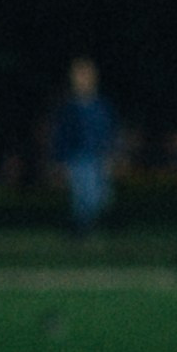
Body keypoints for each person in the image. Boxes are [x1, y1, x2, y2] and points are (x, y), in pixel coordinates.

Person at [51, 58, 117, 232]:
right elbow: (62, 135)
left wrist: (110, 155)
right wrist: (61, 161)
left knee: (101, 196)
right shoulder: (69, 108)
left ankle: (83, 226)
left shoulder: (101, 106)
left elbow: (109, 132)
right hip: (77, 157)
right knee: (83, 195)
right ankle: (80, 229)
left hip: (98, 157)